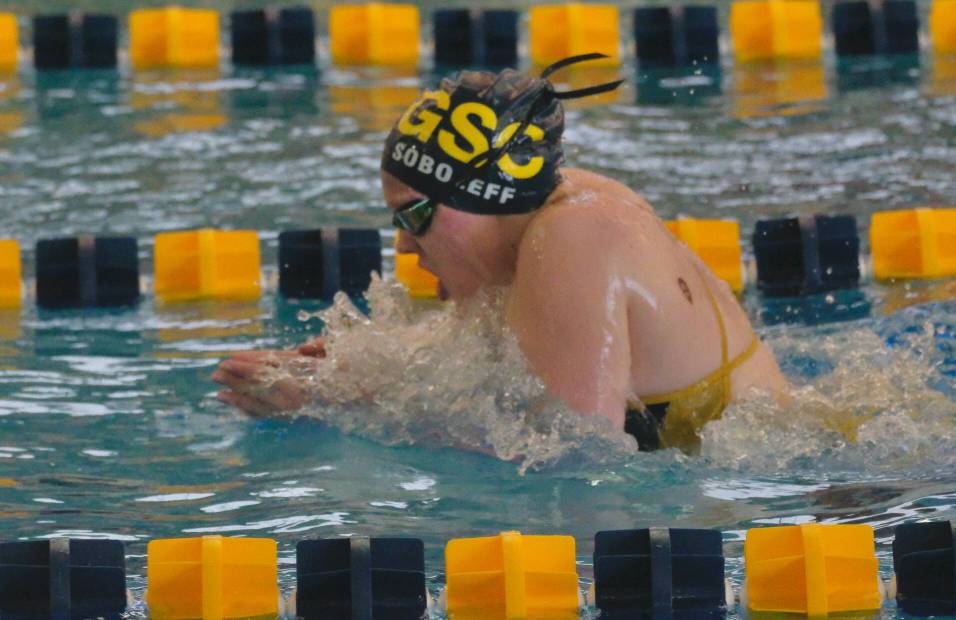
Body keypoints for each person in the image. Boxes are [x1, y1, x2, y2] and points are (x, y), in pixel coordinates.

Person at [213, 55, 789, 452]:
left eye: (414, 215)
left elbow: (570, 453)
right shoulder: (547, 216)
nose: (405, 244)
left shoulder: (575, 237)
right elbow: (514, 380)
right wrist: (358, 373)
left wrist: (338, 408)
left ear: (481, 200)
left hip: (798, 500)